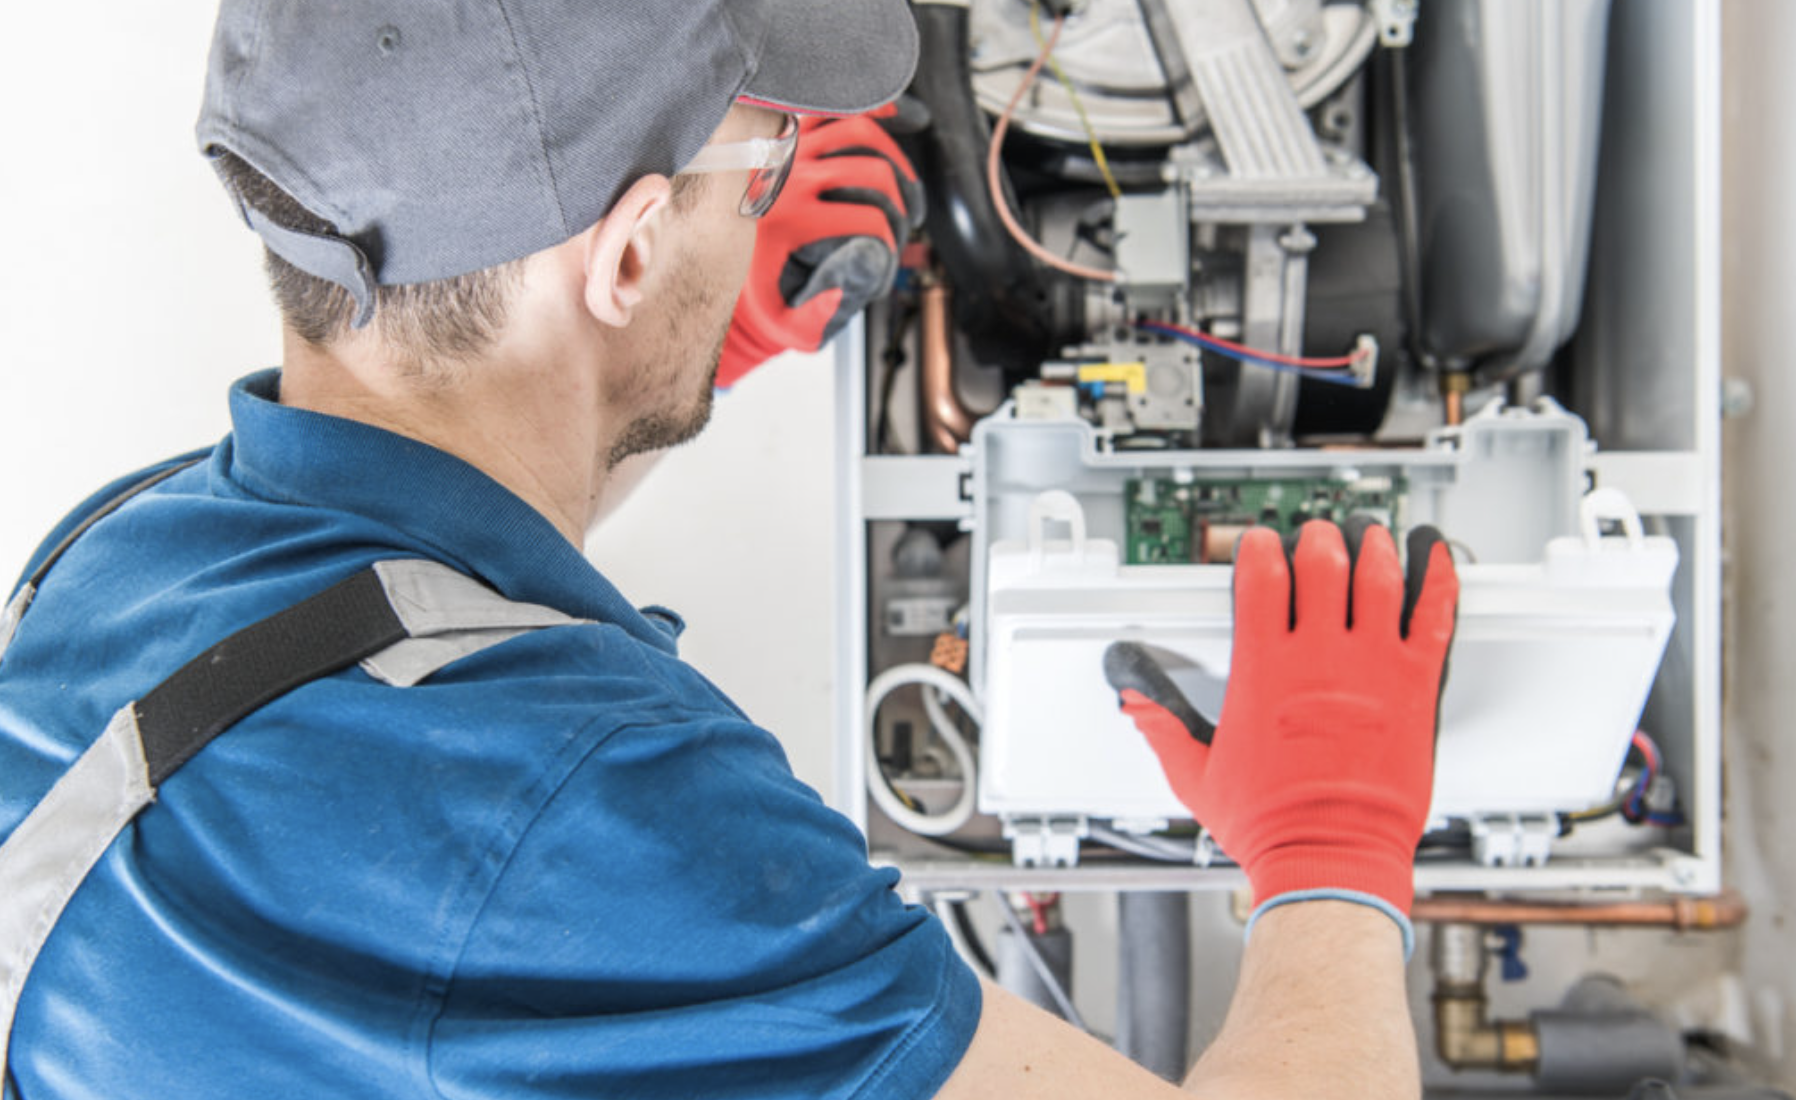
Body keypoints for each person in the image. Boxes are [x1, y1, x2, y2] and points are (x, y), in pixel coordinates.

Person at [0, 1, 1458, 1097]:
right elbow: (516, 819)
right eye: (761, 166)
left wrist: (684, 352)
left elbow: (416, 607)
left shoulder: (127, 554)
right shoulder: (603, 819)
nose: (777, 193)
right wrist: (1331, 854)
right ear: (625, 259)